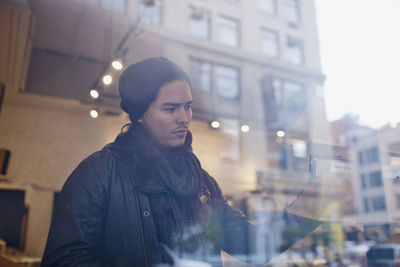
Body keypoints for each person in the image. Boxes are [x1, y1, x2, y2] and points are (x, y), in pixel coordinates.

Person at [41, 57, 321, 267]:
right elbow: (64, 260)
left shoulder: (199, 181)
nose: (184, 118)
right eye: (170, 108)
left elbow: (252, 244)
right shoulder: (98, 175)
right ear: (140, 114)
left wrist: (309, 206)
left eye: (187, 106)